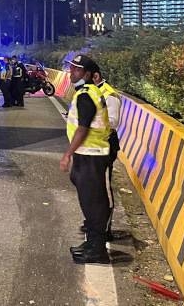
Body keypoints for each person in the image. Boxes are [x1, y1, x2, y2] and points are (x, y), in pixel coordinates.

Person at [60, 53, 111, 264]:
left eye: (77, 70)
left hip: (91, 155)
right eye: (71, 68)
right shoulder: (88, 92)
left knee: (93, 204)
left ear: (88, 74)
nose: (72, 72)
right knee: (89, 201)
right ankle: (91, 244)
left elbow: (82, 129)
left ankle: (98, 250)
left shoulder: (85, 95)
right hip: (88, 154)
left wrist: (67, 154)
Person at [92, 65, 122, 238]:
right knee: (94, 186)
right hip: (94, 145)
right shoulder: (94, 91)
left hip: (105, 145)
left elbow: (112, 122)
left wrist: (88, 123)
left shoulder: (108, 94)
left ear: (95, 76)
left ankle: (105, 228)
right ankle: (96, 222)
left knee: (104, 188)